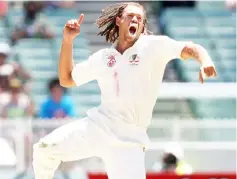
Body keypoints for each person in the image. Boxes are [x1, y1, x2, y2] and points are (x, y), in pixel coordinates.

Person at [32, 2, 217, 179]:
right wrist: (68, 40)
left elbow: (191, 47)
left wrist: (205, 60)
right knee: (43, 149)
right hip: (98, 127)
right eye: (130, 16)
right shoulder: (104, 57)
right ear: (119, 20)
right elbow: (67, 79)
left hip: (129, 141)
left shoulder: (154, 46)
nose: (135, 20)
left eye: (139, 18)